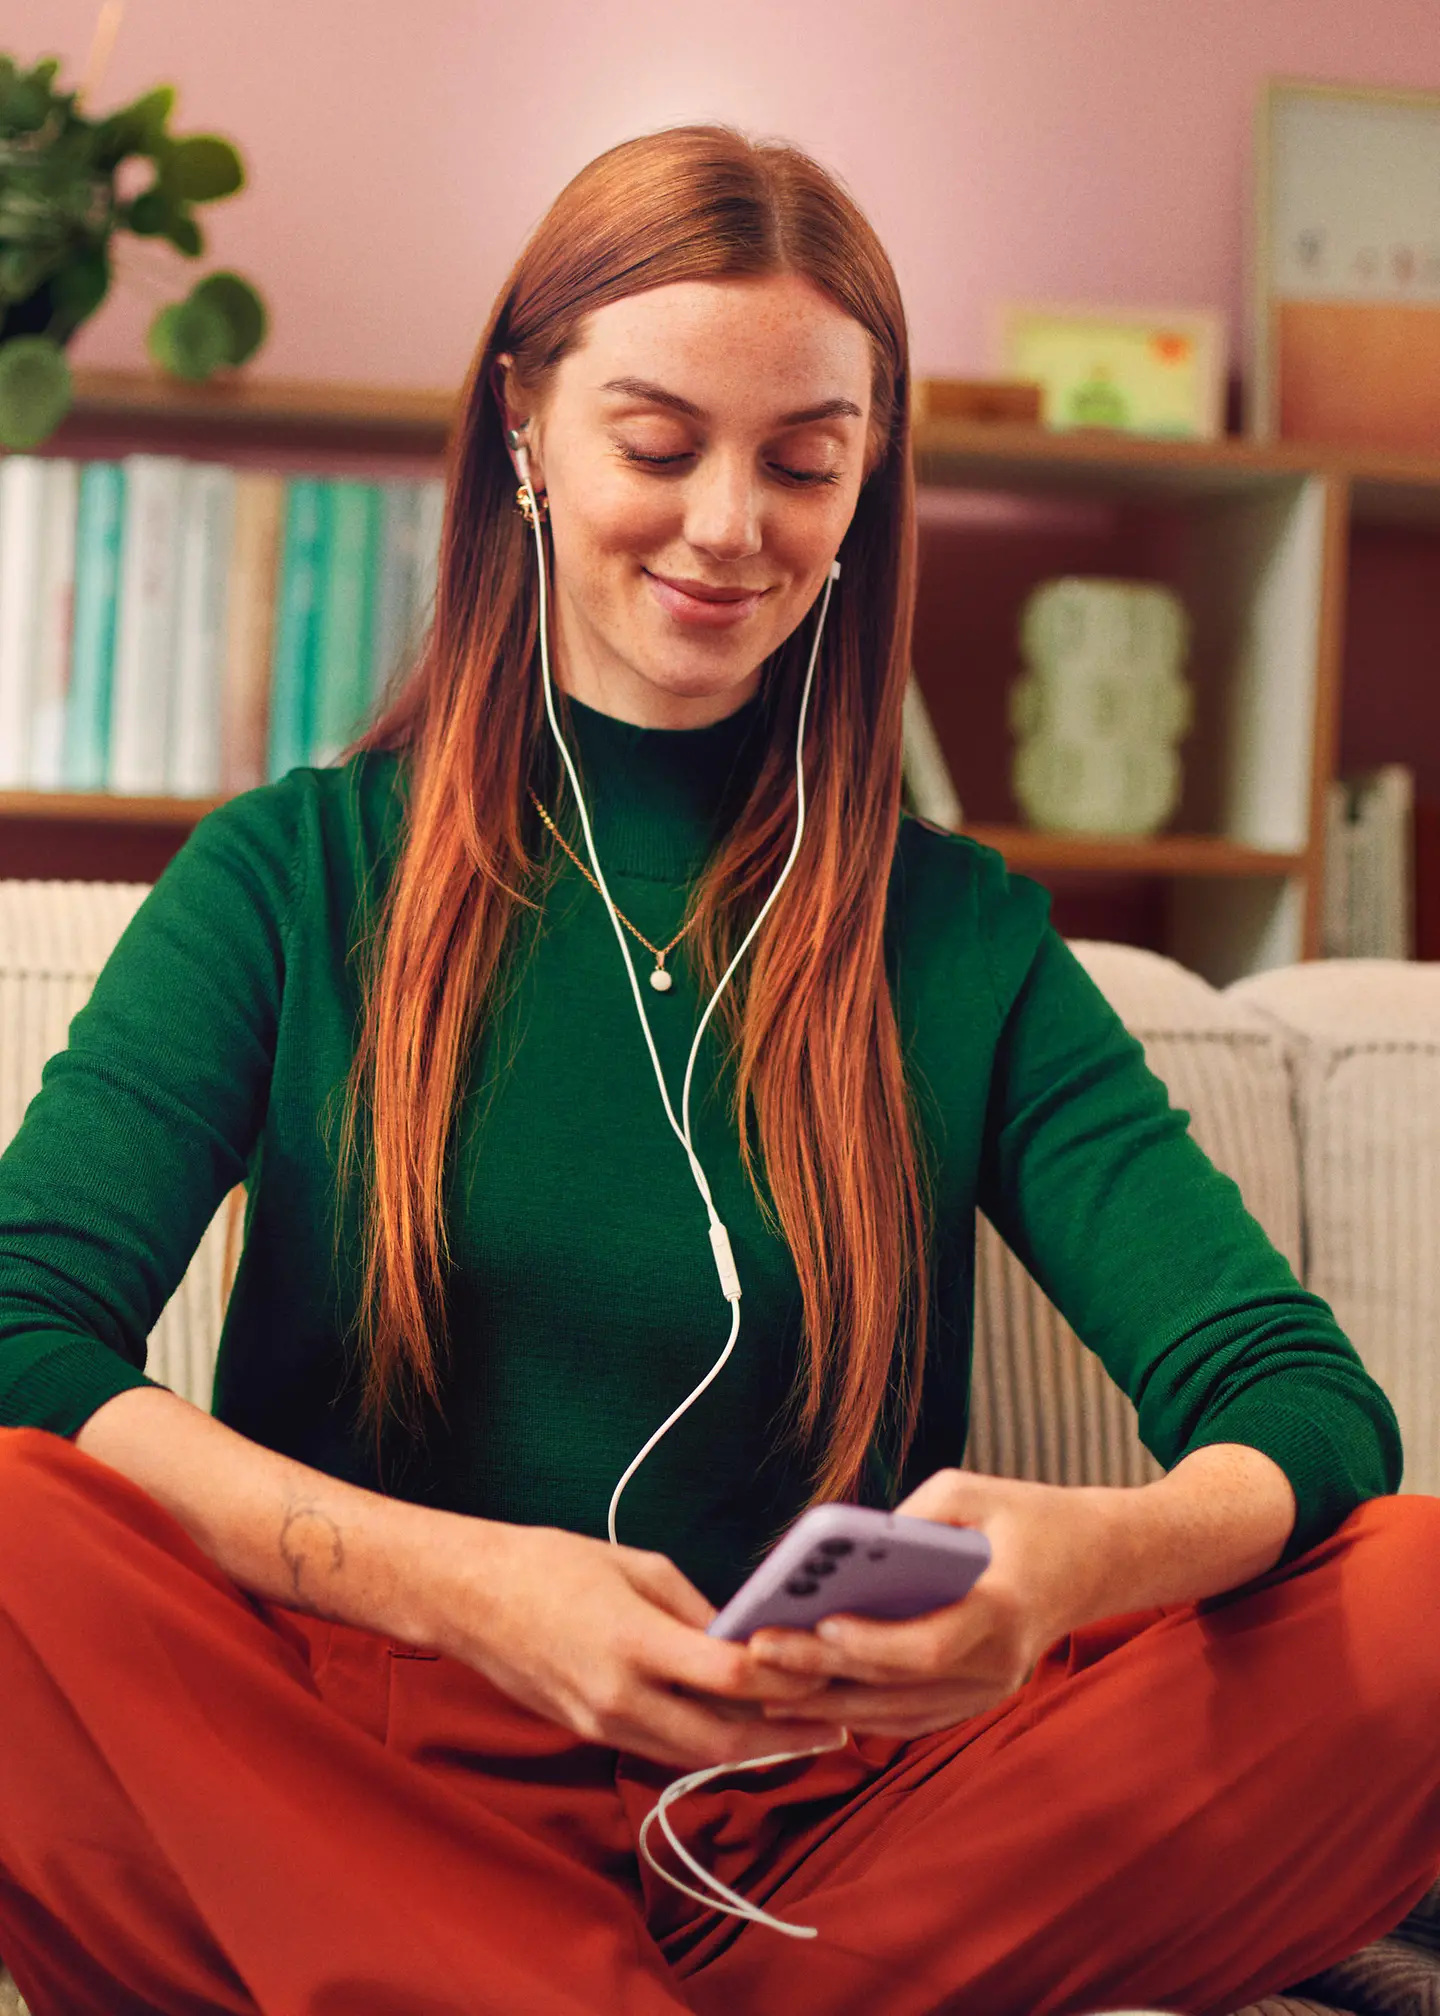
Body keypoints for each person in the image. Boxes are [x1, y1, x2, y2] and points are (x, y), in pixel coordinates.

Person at [0, 122, 1436, 2016]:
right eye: (659, 446)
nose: (728, 527)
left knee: (1414, 1593)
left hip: (821, 1819)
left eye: (806, 463)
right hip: (345, 1773)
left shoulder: (965, 940)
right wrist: (463, 1589)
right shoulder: (294, 876)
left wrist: (1078, 1564)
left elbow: (1299, 1401)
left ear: (869, 482)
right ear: (523, 421)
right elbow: (26, 1328)